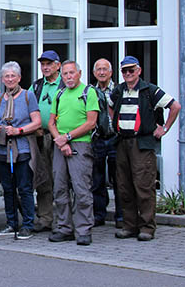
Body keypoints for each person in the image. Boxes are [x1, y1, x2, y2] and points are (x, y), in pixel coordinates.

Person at [109, 56, 181, 241]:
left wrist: (163, 129)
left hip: (142, 143)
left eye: (131, 70)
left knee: (144, 186)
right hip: (122, 142)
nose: (127, 74)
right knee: (124, 186)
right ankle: (129, 226)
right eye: (124, 71)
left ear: (139, 71)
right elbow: (110, 106)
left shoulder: (150, 90)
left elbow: (175, 106)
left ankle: (147, 227)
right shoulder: (118, 91)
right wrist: (115, 124)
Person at [47, 61, 98, 245]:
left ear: (80, 73)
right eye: (65, 74)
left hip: (80, 145)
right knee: (59, 188)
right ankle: (64, 227)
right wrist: (61, 142)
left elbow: (91, 123)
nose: (68, 77)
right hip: (60, 145)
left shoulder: (88, 93)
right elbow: (51, 123)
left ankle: (83, 230)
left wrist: (67, 137)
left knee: (81, 188)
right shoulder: (59, 94)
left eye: (71, 73)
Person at [0, 62, 41, 240]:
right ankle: (11, 223)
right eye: (6, 76)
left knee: (25, 188)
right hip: (3, 149)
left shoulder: (28, 96)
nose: (10, 79)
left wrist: (18, 130)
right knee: (8, 188)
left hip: (23, 148)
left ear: (19, 78)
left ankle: (28, 224)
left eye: (13, 76)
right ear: (3, 79)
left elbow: (37, 122)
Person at [30, 50, 65, 233]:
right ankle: (45, 218)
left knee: (61, 178)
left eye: (49, 64)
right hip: (39, 136)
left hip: (61, 138)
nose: (45, 67)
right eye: (43, 64)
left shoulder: (66, 85)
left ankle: (62, 220)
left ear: (58, 65)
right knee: (43, 179)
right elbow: (27, 106)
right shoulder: (36, 86)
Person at [91, 58, 122, 228]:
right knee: (97, 180)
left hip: (115, 138)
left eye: (105, 69)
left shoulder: (118, 90)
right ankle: (98, 215)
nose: (102, 72)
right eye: (99, 70)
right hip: (97, 139)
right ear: (95, 73)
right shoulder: (90, 92)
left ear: (111, 72)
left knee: (118, 179)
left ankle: (120, 217)